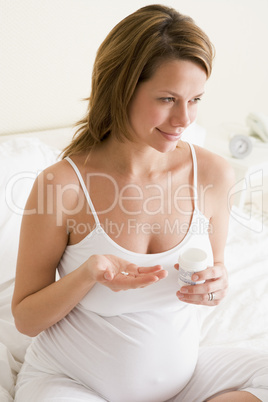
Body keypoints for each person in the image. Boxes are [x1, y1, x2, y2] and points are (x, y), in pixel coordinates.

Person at [12, 4, 268, 402]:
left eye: (195, 99)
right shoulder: (63, 185)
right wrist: (88, 274)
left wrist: (217, 285)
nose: (184, 118)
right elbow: (26, 319)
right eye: (167, 98)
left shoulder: (215, 175)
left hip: (184, 382)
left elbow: (211, 282)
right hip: (74, 382)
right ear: (121, 89)